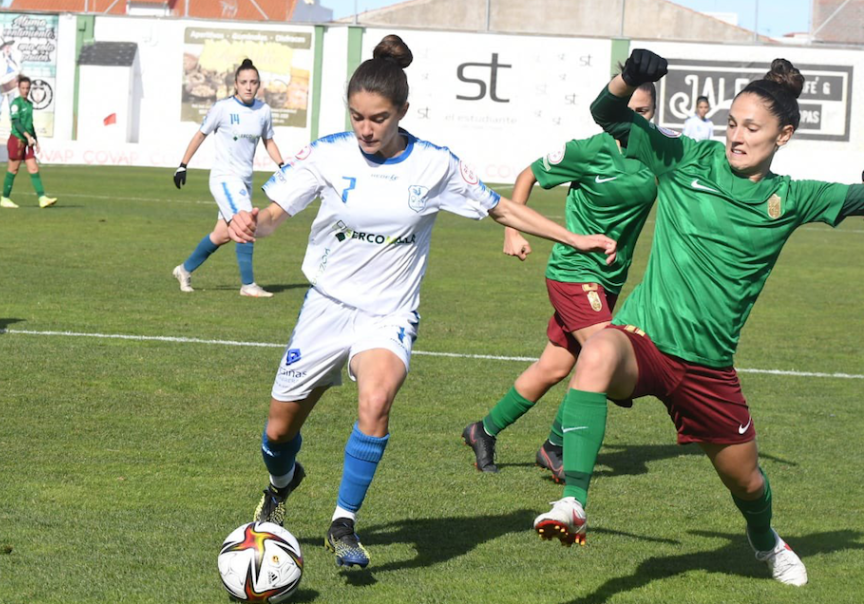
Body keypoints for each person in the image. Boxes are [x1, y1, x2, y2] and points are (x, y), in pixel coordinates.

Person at [228, 35, 616, 569]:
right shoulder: (328, 154)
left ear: (402, 112)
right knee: (278, 432)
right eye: (358, 115)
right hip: (326, 307)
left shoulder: (433, 166)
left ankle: (343, 523)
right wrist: (254, 222)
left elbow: (502, 209)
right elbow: (274, 214)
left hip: (388, 314)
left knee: (377, 398)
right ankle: (282, 482)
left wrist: (576, 239)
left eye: (379, 118)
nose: (366, 128)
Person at [532, 49, 864, 588]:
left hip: (709, 369)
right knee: (595, 350)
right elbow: (610, 116)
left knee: (748, 483)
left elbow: (856, 199)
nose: (736, 135)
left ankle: (765, 542)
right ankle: (573, 499)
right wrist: (628, 79)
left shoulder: (793, 197)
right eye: (731, 123)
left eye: (751, 128)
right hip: (646, 343)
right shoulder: (688, 159)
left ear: (783, 136)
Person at [462, 77, 659, 481]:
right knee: (604, 359)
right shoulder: (588, 150)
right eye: (629, 110)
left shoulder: (656, 154)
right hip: (573, 272)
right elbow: (526, 175)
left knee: (554, 367)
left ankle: (483, 430)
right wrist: (511, 231)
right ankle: (555, 447)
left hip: (608, 280)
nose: (636, 120)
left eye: (644, 112)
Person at [171, 59, 285, 298]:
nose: (248, 87)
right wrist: (183, 165)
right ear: (235, 84)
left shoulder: (263, 111)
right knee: (246, 223)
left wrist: (283, 166)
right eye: (243, 82)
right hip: (224, 178)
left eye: (253, 82)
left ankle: (184, 269)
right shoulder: (222, 108)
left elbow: (269, 141)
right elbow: (200, 135)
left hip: (244, 181)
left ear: (258, 85)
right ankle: (248, 285)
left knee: (222, 234)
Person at [0, 75, 57, 209]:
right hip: (17, 140)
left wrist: (35, 140)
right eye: (23, 88)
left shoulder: (29, 104)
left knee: (33, 168)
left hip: (28, 141)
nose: (25, 90)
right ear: (19, 88)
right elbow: (16, 122)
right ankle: (5, 198)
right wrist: (27, 136)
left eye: (27, 88)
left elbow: (29, 124)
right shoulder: (16, 103)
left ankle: (42, 198)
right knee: (13, 170)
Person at [0, 37, 21, 123]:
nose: (8, 49)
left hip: (11, 81)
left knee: (12, 102)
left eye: (9, 47)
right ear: (3, 48)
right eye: (6, 47)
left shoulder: (14, 57)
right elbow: (1, 68)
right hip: (2, 81)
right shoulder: (0, 57)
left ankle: (12, 118)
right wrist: (5, 56)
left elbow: (17, 68)